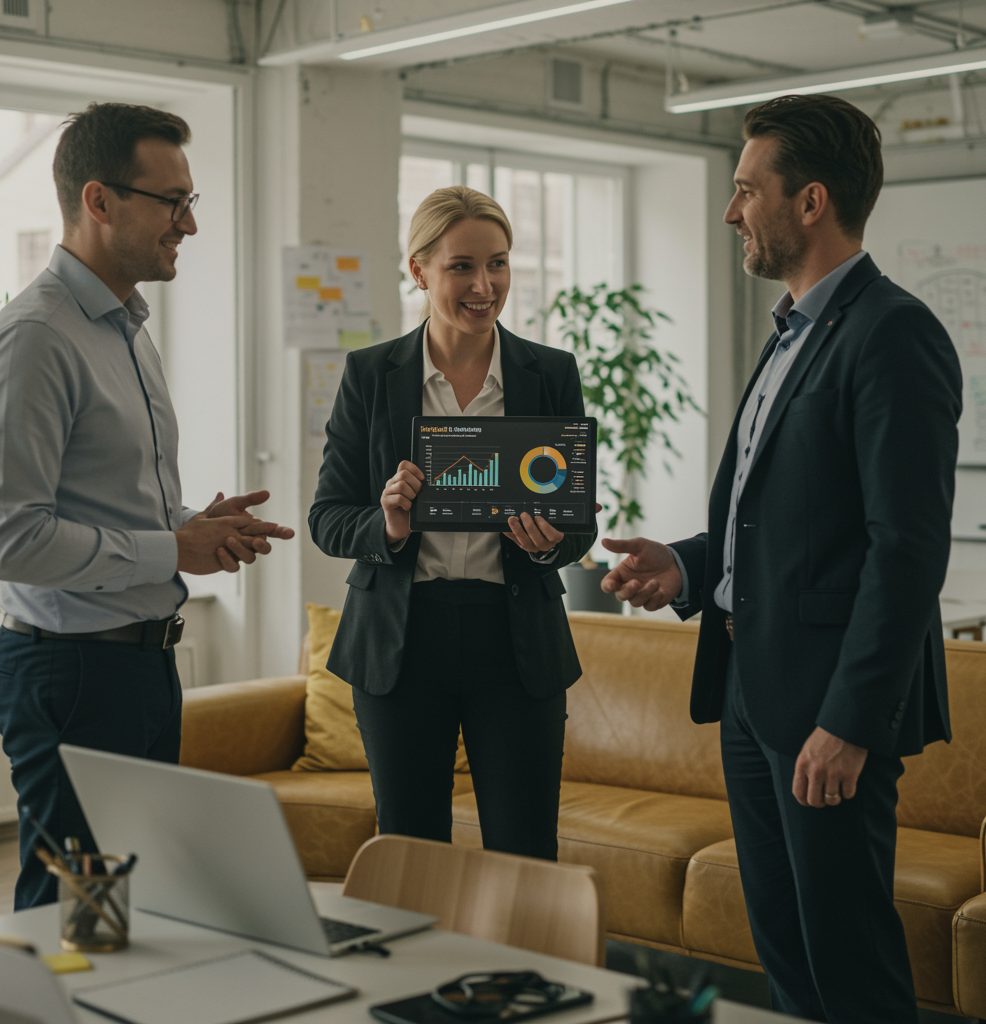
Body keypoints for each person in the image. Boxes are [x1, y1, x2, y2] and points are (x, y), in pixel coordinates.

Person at [600, 95, 961, 1023]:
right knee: (787, 952)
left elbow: (906, 550)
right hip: (754, 696)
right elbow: (781, 524)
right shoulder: (793, 330)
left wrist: (850, 720)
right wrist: (685, 566)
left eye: (744, 190)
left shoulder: (893, 333)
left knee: (847, 956)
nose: (730, 213)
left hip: (826, 711)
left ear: (809, 201)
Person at [0, 102, 294, 910]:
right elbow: (9, 540)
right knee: (76, 917)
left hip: (140, 663)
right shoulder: (36, 337)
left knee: (133, 908)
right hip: (72, 668)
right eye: (171, 202)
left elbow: (108, 501)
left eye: (192, 202)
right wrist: (168, 550)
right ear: (99, 200)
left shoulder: (125, 328)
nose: (188, 223)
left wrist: (190, 529)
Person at [309, 186, 595, 861]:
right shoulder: (371, 375)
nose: (484, 285)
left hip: (515, 637)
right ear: (418, 270)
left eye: (497, 264)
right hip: (402, 643)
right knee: (410, 852)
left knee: (525, 850)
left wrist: (556, 540)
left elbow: (576, 525)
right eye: (461, 266)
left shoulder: (549, 373)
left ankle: (520, 972)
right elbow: (328, 519)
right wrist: (388, 525)